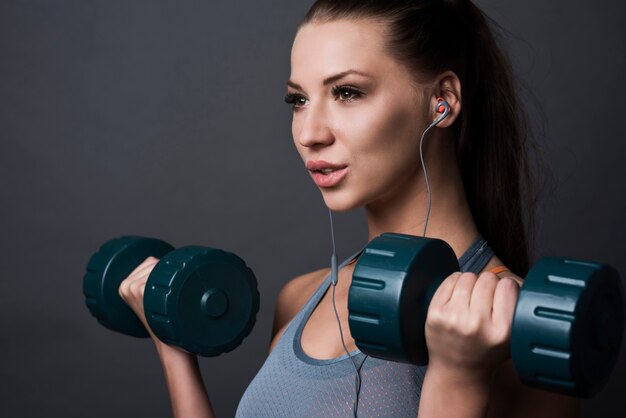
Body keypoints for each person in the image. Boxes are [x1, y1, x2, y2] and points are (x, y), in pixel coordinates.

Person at [119, 0, 581, 416]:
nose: (309, 133)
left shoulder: (522, 328)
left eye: (347, 92)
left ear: (443, 101)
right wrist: (173, 349)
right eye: (298, 100)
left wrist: (457, 377)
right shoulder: (299, 298)